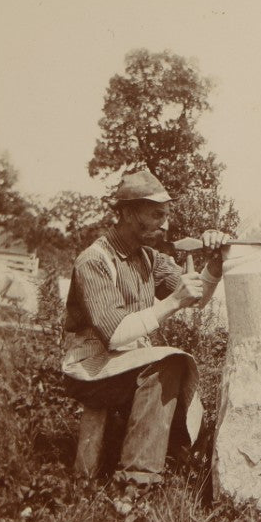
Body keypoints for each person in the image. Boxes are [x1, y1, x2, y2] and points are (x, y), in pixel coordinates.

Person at [62, 169, 229, 491]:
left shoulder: (150, 258)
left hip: (124, 365)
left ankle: (176, 467)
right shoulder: (94, 261)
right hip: (88, 372)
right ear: (126, 212)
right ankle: (137, 483)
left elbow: (196, 299)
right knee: (169, 363)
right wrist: (173, 302)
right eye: (156, 214)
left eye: (166, 215)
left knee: (172, 366)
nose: (165, 224)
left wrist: (215, 265)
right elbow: (114, 334)